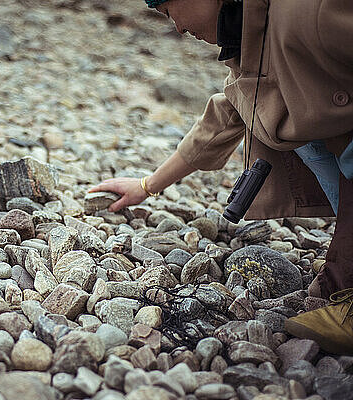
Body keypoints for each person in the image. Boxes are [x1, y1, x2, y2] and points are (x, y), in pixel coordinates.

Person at [88, 0, 353, 354]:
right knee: (304, 139)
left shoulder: (308, 11)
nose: (178, 28)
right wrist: (147, 186)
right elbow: (223, 116)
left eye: (170, 12)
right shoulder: (252, 38)